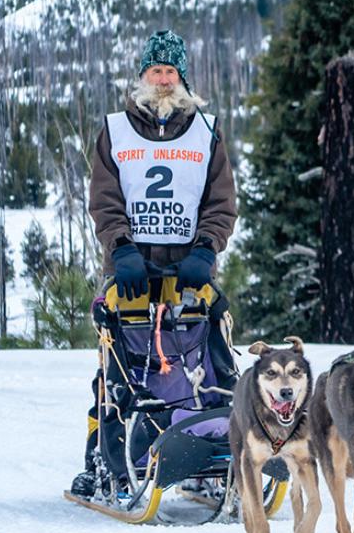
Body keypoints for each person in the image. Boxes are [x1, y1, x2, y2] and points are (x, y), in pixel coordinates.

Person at [70, 30, 238, 497]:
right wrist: (120, 247)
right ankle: (105, 463)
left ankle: (212, 453)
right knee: (118, 368)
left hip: (190, 270)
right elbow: (103, 199)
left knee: (206, 363)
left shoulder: (207, 131)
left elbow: (220, 200)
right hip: (131, 269)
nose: (163, 80)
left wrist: (207, 248)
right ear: (143, 76)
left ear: (182, 78)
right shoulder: (115, 130)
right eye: (155, 71)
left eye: (170, 72)